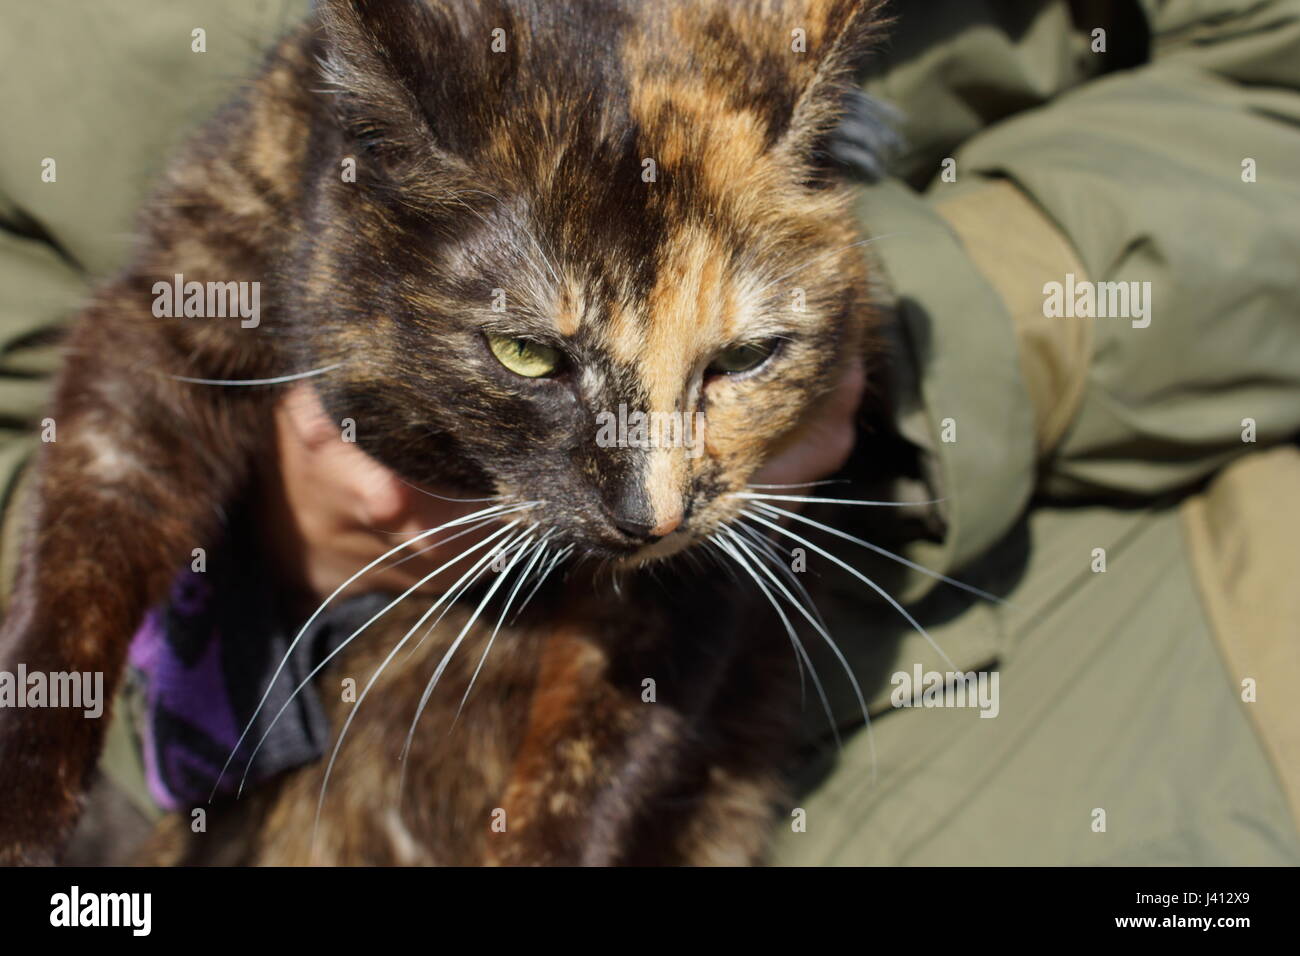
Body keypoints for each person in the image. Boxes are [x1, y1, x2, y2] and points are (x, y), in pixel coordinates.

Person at [2, 0, 1298, 864]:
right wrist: (208, 587)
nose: (660, 503)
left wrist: (933, 320)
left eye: (731, 361)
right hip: (234, 747)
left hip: (1030, 655)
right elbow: (127, 363)